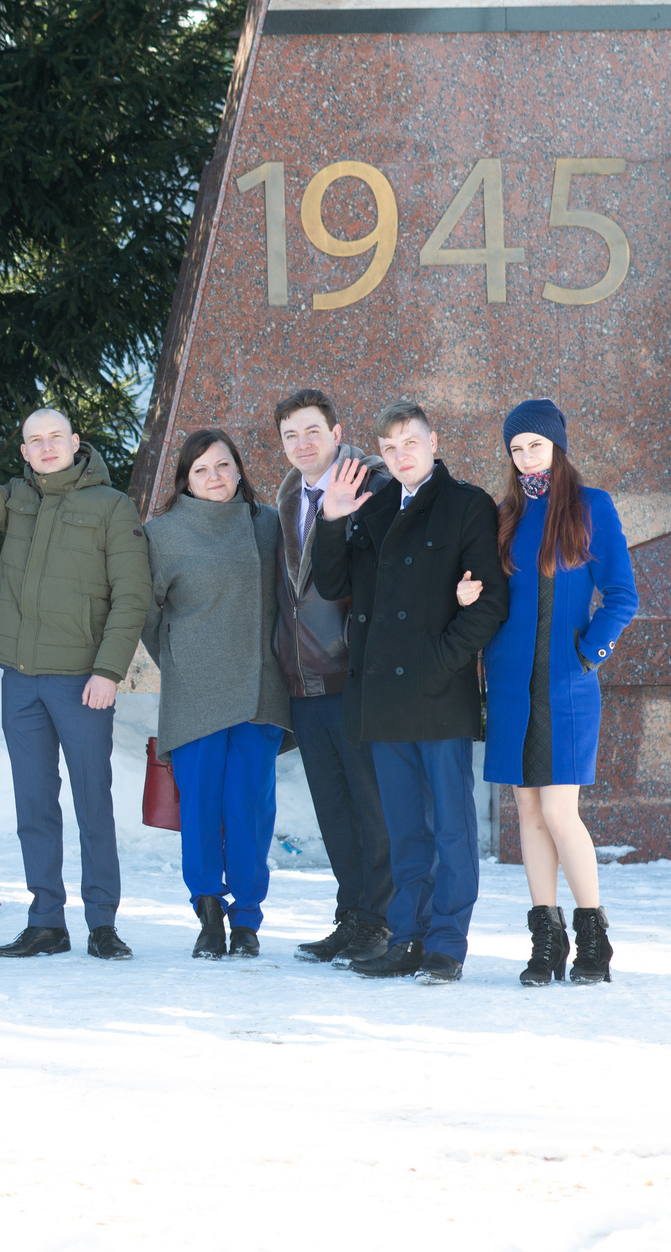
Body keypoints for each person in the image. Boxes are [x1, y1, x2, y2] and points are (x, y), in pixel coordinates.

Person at [0, 377, 149, 962]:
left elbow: (132, 596)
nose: (48, 447)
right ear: (25, 451)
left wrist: (109, 671)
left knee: (91, 803)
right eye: (36, 440)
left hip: (83, 681)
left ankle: (102, 922)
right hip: (22, 680)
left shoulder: (111, 506)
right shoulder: (15, 500)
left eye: (57, 436)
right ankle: (46, 920)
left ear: (75, 442)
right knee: (34, 804)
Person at [311, 399, 509, 985]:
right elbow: (332, 583)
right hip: (382, 698)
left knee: (451, 827)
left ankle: (447, 943)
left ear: (433, 442)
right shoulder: (369, 509)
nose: (400, 456)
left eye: (411, 443)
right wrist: (331, 518)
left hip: (438, 694)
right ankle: (408, 937)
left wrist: (438, 664)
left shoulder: (466, 504)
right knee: (404, 829)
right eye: (390, 447)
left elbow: (490, 602)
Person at [483, 399, 638, 987]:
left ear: (557, 446)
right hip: (511, 687)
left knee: (558, 810)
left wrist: (588, 652)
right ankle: (545, 941)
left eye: (535, 445)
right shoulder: (504, 515)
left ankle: (592, 936)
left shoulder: (590, 506)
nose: (525, 457)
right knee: (526, 810)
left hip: (567, 685)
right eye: (516, 448)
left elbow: (622, 595)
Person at [145, 429, 289, 959]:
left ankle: (247, 919)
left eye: (224, 466)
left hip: (259, 690)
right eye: (202, 469)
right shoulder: (162, 534)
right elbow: (147, 614)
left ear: (239, 471)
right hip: (194, 693)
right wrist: (182, 662)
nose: (215, 478)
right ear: (185, 477)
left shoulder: (268, 525)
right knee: (202, 807)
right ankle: (208, 912)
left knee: (249, 808)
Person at [271, 389, 395, 965]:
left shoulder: (369, 485)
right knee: (334, 811)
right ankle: (351, 916)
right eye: (291, 434)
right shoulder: (289, 491)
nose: (303, 444)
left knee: (371, 807)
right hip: (304, 680)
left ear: (338, 432)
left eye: (313, 431)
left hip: (352, 674)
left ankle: (381, 922)